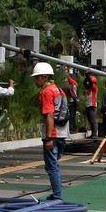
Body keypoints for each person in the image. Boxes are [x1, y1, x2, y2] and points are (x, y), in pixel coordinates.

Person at [32, 62, 68, 201]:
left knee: (52, 166)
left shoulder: (47, 92)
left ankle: (57, 196)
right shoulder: (58, 89)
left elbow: (49, 115)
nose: (36, 80)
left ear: (45, 76)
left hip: (53, 134)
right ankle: (57, 193)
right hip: (62, 133)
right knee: (55, 165)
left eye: (37, 77)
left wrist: (48, 138)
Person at [82, 72, 99, 139]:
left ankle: (94, 134)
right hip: (88, 105)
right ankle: (93, 134)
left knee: (93, 121)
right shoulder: (88, 88)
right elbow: (85, 83)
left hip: (92, 106)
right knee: (90, 121)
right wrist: (86, 76)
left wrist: (88, 76)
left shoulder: (94, 87)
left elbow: (90, 83)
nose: (88, 83)